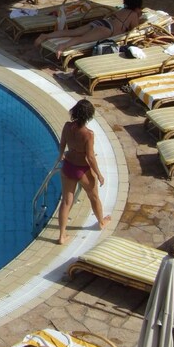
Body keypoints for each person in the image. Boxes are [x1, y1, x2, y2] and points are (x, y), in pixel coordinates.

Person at [55, 99, 110, 244]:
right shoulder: (88, 134)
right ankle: (101, 222)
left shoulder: (67, 126)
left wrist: (60, 156)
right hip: (82, 169)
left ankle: (62, 236)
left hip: (68, 166)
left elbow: (62, 144)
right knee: (94, 197)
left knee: (66, 201)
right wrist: (99, 174)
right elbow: (90, 157)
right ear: (89, 115)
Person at [34, 0, 144, 56]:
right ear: (137, 7)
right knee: (82, 39)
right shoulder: (133, 14)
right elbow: (134, 29)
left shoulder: (121, 10)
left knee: (73, 32)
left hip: (101, 22)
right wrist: (139, 17)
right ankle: (62, 46)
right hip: (106, 29)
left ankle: (45, 36)